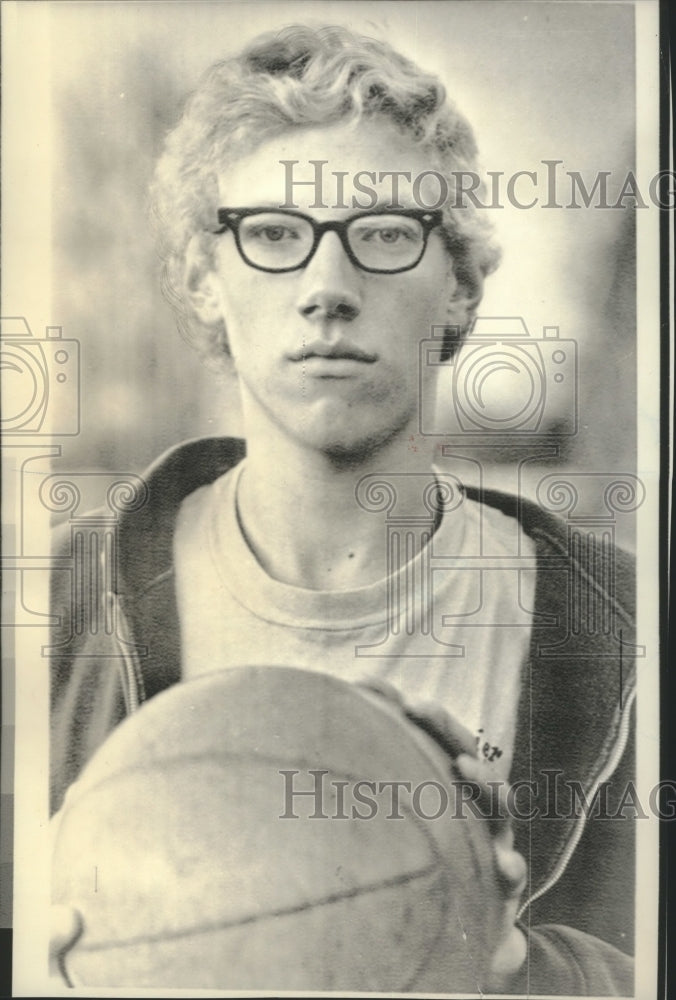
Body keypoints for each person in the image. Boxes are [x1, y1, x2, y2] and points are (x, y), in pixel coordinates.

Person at [49, 24, 636, 995]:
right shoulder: (56, 613)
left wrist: (524, 966)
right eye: (274, 234)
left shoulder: (625, 630)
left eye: (384, 234)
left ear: (458, 285)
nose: (328, 288)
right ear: (204, 277)